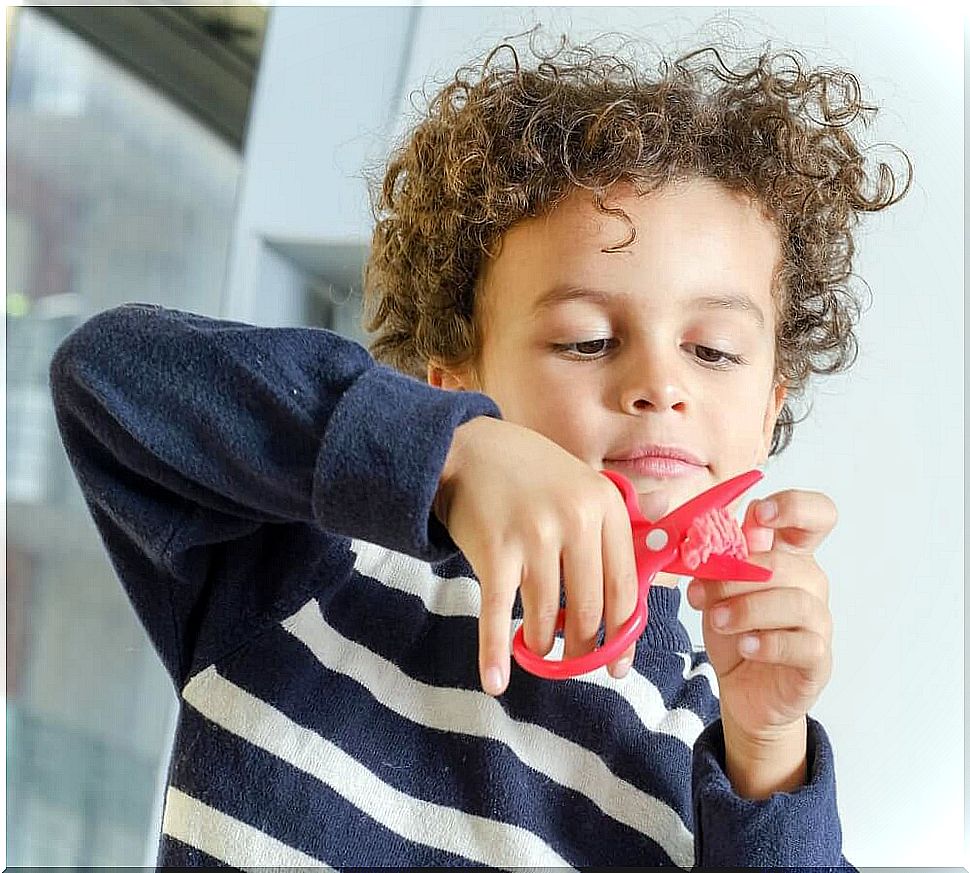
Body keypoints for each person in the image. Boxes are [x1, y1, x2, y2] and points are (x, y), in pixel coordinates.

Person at [49, 33, 911, 868]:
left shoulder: (716, 764)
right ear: (454, 380)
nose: (660, 383)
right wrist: (449, 452)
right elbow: (109, 375)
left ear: (768, 410)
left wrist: (768, 753)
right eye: (584, 341)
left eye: (714, 351)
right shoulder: (316, 575)